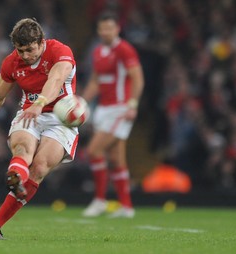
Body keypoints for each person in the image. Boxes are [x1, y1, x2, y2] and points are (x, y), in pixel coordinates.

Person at [0, 18, 79, 239]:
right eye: (20, 50)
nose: (25, 55)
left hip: (60, 119)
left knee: (40, 168)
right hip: (29, 113)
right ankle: (15, 178)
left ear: (41, 42)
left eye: (30, 50)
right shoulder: (11, 62)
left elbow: (56, 79)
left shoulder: (60, 51)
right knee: (23, 149)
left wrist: (40, 103)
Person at [81, 12, 144, 218]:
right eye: (102, 28)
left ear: (117, 29)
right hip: (103, 110)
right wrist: (81, 101)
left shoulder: (124, 49)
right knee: (116, 159)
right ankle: (126, 207)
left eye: (109, 27)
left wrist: (132, 105)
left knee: (93, 151)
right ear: (98, 30)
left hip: (120, 109)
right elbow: (95, 81)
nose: (105, 31)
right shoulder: (98, 51)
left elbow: (138, 79)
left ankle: (100, 200)